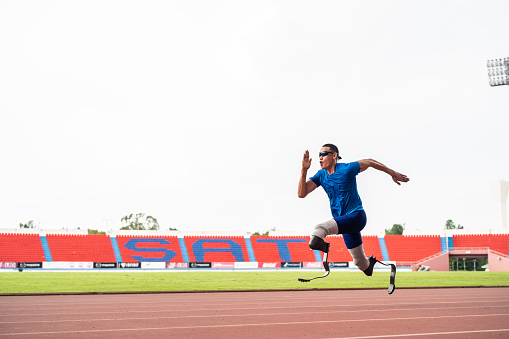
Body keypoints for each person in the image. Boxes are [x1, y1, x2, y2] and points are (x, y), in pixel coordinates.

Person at [298, 143, 409, 276]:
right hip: (343, 222)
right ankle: (370, 263)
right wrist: (304, 170)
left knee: (319, 230)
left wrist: (392, 172)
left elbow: (370, 162)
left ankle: (325, 246)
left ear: (334, 156)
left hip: (356, 217)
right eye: (319, 155)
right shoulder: (321, 175)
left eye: (323, 154)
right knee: (362, 265)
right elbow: (301, 193)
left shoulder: (346, 168)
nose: (320, 158)